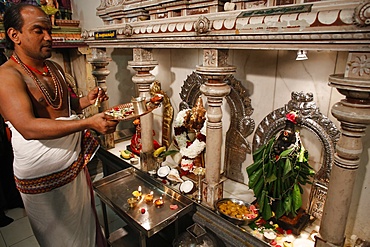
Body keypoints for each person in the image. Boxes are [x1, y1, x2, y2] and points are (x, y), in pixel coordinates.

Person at [0, 3, 118, 246]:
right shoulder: (6, 76)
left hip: (72, 169)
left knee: (86, 232)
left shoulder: (53, 68)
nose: (49, 37)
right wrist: (89, 123)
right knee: (59, 240)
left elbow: (68, 107)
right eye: (38, 31)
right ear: (15, 35)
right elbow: (28, 128)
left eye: (49, 30)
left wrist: (88, 100)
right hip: (42, 180)